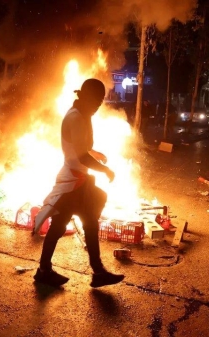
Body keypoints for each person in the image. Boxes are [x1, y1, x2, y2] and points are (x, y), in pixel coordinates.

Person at [32, 78, 125, 288]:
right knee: (78, 223)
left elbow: (81, 148)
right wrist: (105, 169)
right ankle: (93, 271)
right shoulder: (75, 117)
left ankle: (48, 270)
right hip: (73, 182)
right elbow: (81, 156)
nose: (99, 104)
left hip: (78, 181)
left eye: (101, 100)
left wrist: (95, 153)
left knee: (81, 222)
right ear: (85, 96)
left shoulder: (83, 114)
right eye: (97, 100)